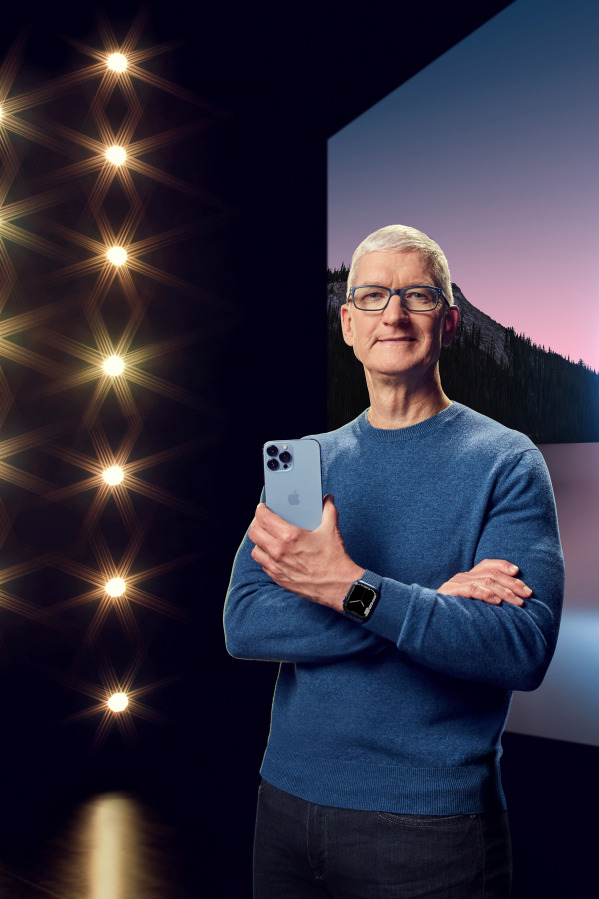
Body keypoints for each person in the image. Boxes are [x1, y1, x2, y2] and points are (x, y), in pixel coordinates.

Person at [224, 224, 565, 898]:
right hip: (286, 804)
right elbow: (245, 622)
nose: (395, 314)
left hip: (430, 826)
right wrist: (430, 599)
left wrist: (349, 586)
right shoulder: (305, 463)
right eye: (373, 296)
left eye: (418, 296)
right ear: (348, 324)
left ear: (451, 323)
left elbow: (519, 647)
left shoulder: (508, 462)